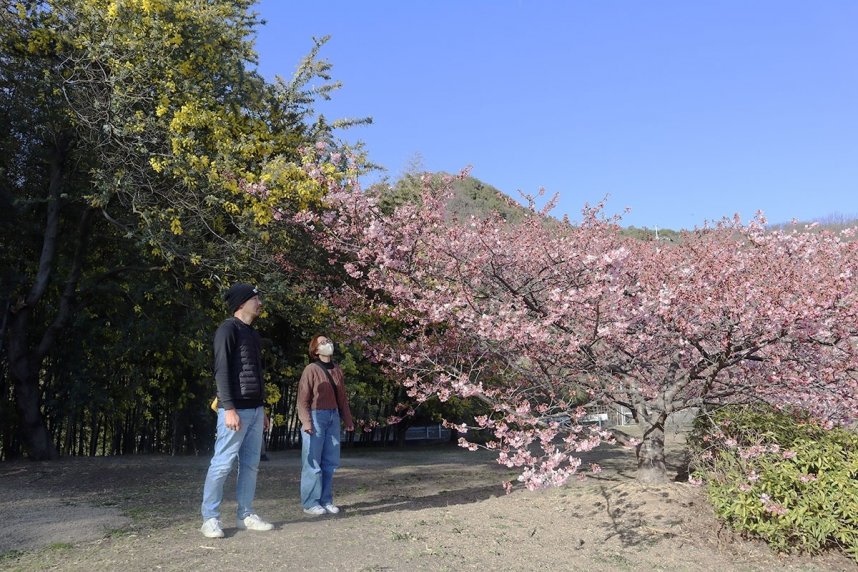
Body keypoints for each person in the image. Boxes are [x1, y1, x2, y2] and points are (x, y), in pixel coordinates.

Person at [200, 283, 274, 538]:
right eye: (257, 298)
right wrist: (228, 407)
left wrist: (262, 408)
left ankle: (245, 514)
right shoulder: (227, 329)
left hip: (254, 410)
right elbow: (221, 370)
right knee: (222, 464)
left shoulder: (252, 334)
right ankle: (210, 518)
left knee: (251, 465)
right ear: (242, 303)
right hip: (234, 411)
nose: (260, 303)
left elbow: (255, 374)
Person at [297, 335, 354, 515]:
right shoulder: (311, 369)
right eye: (322, 343)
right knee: (312, 461)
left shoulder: (337, 369)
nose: (328, 344)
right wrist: (306, 421)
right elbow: (302, 399)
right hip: (315, 416)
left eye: (328, 340)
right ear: (315, 350)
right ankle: (310, 503)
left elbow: (342, 398)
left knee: (330, 461)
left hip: (333, 416)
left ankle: (326, 500)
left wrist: (348, 420)